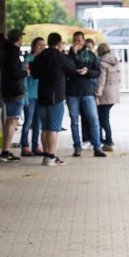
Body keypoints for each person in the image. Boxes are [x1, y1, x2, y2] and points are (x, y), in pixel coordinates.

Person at [29, 32, 81, 165]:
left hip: (41, 95)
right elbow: (72, 70)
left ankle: (46, 155)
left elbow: (33, 73)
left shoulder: (40, 57)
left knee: (45, 128)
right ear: (59, 43)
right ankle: (51, 156)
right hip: (56, 96)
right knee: (53, 128)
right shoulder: (59, 57)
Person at [66, 31, 105, 157]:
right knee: (74, 121)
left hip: (87, 91)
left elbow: (96, 72)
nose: (77, 42)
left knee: (93, 119)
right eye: (75, 40)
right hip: (72, 92)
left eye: (79, 40)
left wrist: (87, 71)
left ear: (84, 41)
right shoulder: (68, 55)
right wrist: (74, 53)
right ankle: (77, 147)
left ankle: (97, 147)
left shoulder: (90, 55)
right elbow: (69, 68)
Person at [0, 29, 27, 161]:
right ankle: (5, 151)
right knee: (13, 120)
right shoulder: (13, 53)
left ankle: (5, 150)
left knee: (9, 120)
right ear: (18, 38)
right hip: (15, 90)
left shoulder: (4, 51)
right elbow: (14, 72)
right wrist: (25, 73)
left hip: (6, 89)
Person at [95, 41, 121, 149]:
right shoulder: (115, 61)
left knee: (103, 118)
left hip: (104, 94)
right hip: (113, 93)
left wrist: (97, 94)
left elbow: (101, 80)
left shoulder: (102, 63)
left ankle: (108, 141)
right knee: (105, 117)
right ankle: (106, 140)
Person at [21, 37, 43, 156]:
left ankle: (35, 146)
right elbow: (24, 78)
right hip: (30, 94)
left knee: (37, 123)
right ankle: (24, 146)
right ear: (34, 46)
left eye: (43, 45)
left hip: (40, 95)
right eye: (39, 45)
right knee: (28, 121)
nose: (42, 47)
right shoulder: (28, 59)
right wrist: (25, 95)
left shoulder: (44, 60)